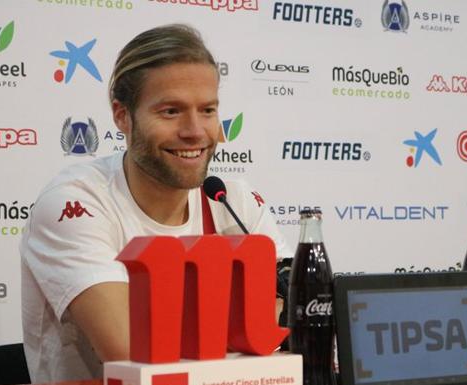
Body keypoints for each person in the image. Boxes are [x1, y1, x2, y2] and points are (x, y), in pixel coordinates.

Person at [20, 24, 291, 383]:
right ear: (122, 116)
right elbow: (133, 352)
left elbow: (295, 313)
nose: (195, 131)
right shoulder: (74, 203)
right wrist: (241, 320)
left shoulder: (232, 200)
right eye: (170, 111)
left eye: (207, 110)